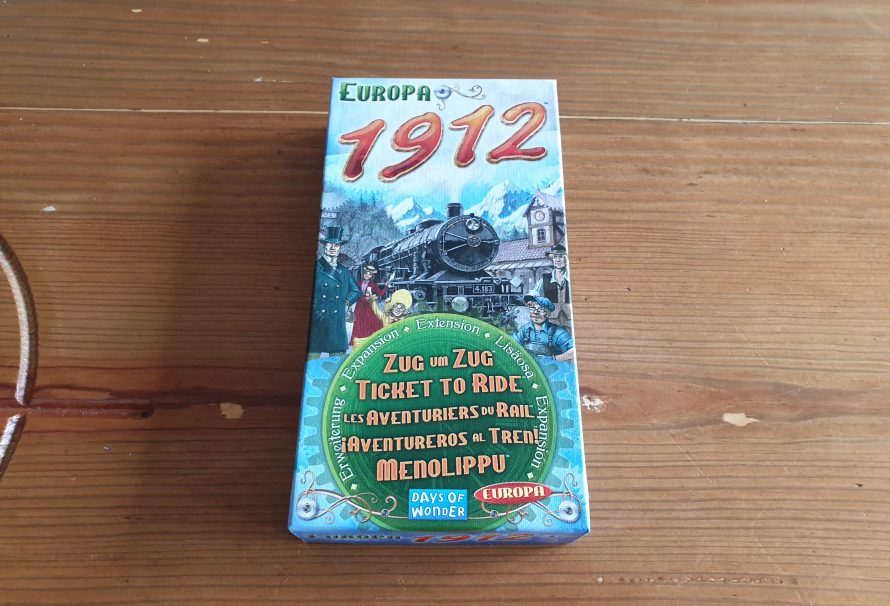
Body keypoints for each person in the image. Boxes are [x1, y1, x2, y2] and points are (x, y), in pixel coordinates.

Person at [308, 226, 362, 356]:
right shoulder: (316, 268)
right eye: (330, 244)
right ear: (324, 246)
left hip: (337, 326)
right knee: (311, 362)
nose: (333, 247)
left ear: (340, 248)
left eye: (336, 245)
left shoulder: (344, 271)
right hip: (317, 322)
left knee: (337, 363)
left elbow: (356, 291)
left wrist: (346, 302)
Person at [513, 295, 575, 361]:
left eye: (541, 309)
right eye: (532, 308)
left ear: (548, 313)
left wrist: (553, 359)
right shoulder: (525, 330)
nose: (535, 312)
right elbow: (511, 344)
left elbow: (574, 351)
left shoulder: (556, 332)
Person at [530, 243, 571, 328]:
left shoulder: (572, 277)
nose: (558, 260)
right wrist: (533, 301)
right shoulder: (545, 279)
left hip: (570, 319)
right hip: (552, 319)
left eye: (561, 256)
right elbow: (533, 293)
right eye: (555, 257)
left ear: (566, 258)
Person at [350, 265, 388, 346]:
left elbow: (381, 293)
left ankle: (370, 338)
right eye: (366, 274)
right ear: (363, 275)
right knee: (359, 322)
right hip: (360, 305)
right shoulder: (358, 283)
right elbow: (355, 292)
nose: (367, 275)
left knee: (370, 320)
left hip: (368, 305)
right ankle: (358, 339)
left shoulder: (373, 285)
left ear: (371, 276)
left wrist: (386, 286)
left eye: (369, 274)